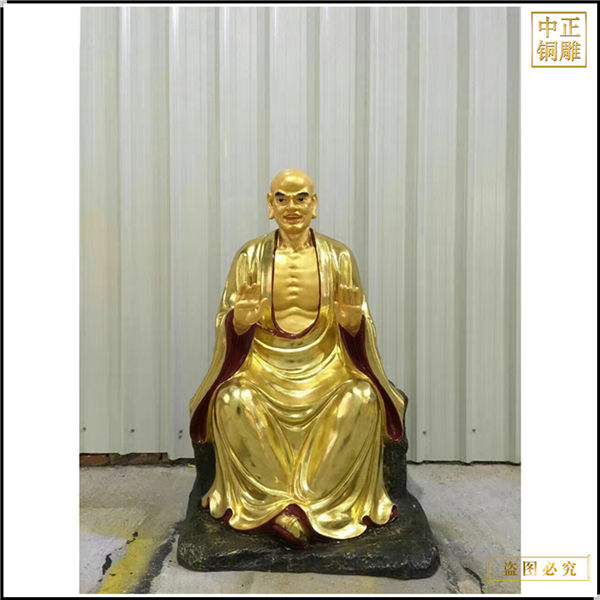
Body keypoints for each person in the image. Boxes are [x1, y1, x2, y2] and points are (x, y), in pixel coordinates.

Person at [189, 169, 406, 546]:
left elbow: (361, 323)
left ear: (315, 204)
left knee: (362, 398)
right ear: (269, 205)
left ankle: (311, 506)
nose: (292, 207)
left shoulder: (339, 257)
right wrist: (238, 323)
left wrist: (353, 326)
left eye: (301, 197)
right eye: (282, 199)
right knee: (230, 400)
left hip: (326, 369)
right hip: (263, 370)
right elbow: (227, 320)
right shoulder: (249, 257)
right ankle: (276, 505)